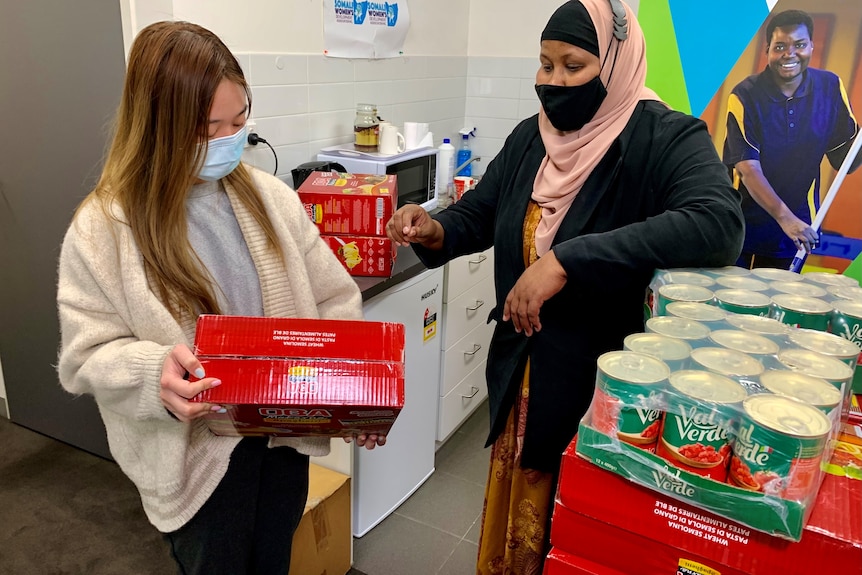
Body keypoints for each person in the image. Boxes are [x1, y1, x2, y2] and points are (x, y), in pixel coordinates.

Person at [386, 0, 744, 572]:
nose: (553, 82)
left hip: (600, 386)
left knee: (576, 532)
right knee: (520, 519)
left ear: (615, 62)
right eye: (544, 64)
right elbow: (479, 214)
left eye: (572, 65)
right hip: (522, 375)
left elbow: (718, 223)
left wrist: (566, 260)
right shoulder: (533, 138)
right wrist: (434, 228)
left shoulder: (663, 138)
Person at [55, 21, 379, 575]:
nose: (230, 139)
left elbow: (333, 300)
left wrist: (355, 390)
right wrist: (151, 371)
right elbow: (85, 358)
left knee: (273, 559)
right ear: (159, 125)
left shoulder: (272, 199)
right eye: (209, 128)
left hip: (281, 440)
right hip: (197, 461)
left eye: (239, 120)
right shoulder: (104, 228)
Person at [723, 9, 861, 270]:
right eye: (780, 46)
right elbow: (748, 169)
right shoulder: (745, 95)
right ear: (768, 50)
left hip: (797, 228)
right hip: (741, 223)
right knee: (734, 302)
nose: (790, 54)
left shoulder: (830, 87)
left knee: (775, 304)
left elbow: (846, 162)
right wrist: (784, 218)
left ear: (810, 46)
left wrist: (792, 221)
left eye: (799, 45)